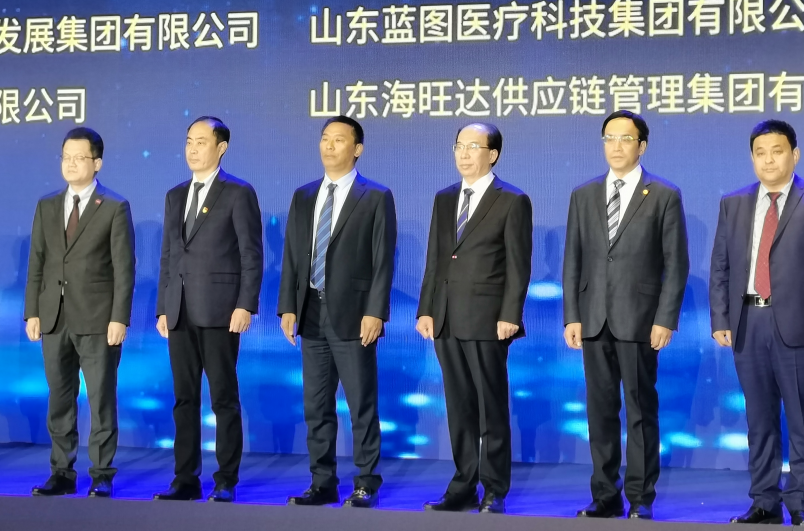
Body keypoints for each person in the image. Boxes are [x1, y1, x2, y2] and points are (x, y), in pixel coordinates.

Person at [710, 119, 804, 526]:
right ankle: (763, 502)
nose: (768, 160)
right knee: (759, 420)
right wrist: (721, 317)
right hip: (747, 323)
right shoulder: (733, 203)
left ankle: (801, 504)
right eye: (760, 153)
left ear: (794, 154)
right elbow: (720, 266)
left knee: (802, 420)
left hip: (799, 325)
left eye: (777, 151)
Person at [563, 110, 690, 520]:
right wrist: (572, 315)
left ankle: (640, 496)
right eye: (609, 138)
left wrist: (665, 318)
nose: (616, 146)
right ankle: (605, 495)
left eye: (625, 139)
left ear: (642, 146)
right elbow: (573, 261)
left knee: (639, 410)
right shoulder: (583, 194)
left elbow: (676, 264)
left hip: (640, 319)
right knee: (600, 412)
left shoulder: (664, 194)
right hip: (593, 318)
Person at [278, 116, 396, 509]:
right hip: (311, 310)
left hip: (354, 313)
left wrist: (375, 311)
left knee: (361, 403)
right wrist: (288, 306)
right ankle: (322, 482)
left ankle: (366, 482)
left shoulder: (375, 196)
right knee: (316, 405)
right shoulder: (304, 195)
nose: (329, 146)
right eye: (325, 138)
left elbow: (383, 260)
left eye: (339, 140)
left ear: (357, 149)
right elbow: (292, 255)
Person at [416, 123, 532, 514]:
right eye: (459, 146)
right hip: (446, 317)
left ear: (492, 154)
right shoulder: (444, 198)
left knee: (490, 407)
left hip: (488, 319)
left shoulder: (512, 200)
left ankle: (494, 488)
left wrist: (510, 314)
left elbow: (518, 265)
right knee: (459, 406)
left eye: (473, 146)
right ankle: (463, 485)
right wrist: (426, 308)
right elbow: (435, 259)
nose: (464, 154)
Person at [153, 116, 263, 503]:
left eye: (201, 141)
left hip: (220, 311)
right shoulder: (175, 195)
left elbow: (251, 254)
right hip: (179, 311)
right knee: (184, 399)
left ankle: (225, 479)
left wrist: (245, 304)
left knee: (223, 399)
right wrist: (163, 307)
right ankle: (185, 478)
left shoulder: (237, 192)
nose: (193, 149)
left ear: (221, 148)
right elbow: (169, 255)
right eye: (189, 141)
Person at [24, 127, 135, 499]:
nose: (71, 164)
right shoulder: (47, 205)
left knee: (101, 399)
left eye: (79, 157)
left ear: (97, 163)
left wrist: (119, 318)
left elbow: (124, 269)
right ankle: (62, 472)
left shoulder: (114, 207)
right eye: (66, 157)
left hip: (98, 320)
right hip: (54, 318)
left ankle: (102, 473)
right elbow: (37, 262)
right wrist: (32, 312)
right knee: (59, 398)